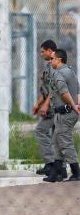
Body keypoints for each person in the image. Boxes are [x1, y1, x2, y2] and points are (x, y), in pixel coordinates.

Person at [44, 49, 80, 182]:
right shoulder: (71, 71)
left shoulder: (59, 74)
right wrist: (77, 104)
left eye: (52, 59)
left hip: (66, 112)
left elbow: (64, 93)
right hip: (67, 112)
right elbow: (77, 89)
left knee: (65, 141)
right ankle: (57, 174)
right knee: (57, 141)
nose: (50, 61)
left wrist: (74, 106)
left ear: (59, 60)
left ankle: (76, 172)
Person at [32, 40, 66, 177]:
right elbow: (46, 89)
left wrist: (45, 105)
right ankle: (60, 168)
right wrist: (38, 103)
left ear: (50, 50)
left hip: (54, 106)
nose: (41, 54)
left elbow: (55, 88)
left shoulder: (54, 65)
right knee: (55, 137)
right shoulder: (49, 65)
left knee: (40, 131)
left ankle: (51, 163)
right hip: (51, 104)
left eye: (42, 51)